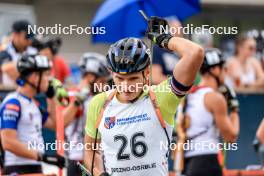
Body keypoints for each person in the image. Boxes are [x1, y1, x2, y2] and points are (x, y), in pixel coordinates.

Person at [83, 16, 204, 176]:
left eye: (133, 78)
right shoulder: (99, 103)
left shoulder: (162, 96)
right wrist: (99, 174)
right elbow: (91, 152)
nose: (126, 86)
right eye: (120, 78)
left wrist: (164, 39)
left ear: (147, 73)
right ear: (111, 74)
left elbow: (195, 52)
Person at [176, 48, 240, 176]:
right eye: (224, 69)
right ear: (215, 69)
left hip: (187, 162)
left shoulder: (189, 95)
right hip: (207, 161)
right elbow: (231, 137)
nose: (226, 73)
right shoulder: (215, 98)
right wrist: (234, 109)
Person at [0, 54, 66, 174]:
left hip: (34, 165)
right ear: (34, 77)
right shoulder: (13, 102)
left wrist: (50, 97)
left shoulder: (33, 103)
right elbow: (8, 142)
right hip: (17, 167)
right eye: (46, 74)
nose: (49, 79)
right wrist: (41, 157)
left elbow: (54, 125)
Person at [63, 52, 110, 176]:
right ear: (90, 77)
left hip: (96, 159)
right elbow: (61, 122)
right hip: (76, 161)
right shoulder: (71, 94)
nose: (104, 86)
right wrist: (77, 102)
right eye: (102, 81)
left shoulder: (99, 98)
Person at [0, 20, 36, 86]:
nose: (30, 40)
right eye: (27, 36)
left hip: (30, 91)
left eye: (31, 36)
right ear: (16, 35)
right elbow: (8, 69)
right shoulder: (5, 50)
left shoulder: (33, 50)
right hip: (8, 91)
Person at [152, 17, 182, 85]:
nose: (179, 36)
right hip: (165, 91)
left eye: (180, 32)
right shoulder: (157, 50)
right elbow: (156, 78)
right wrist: (178, 85)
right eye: (176, 32)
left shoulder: (179, 51)